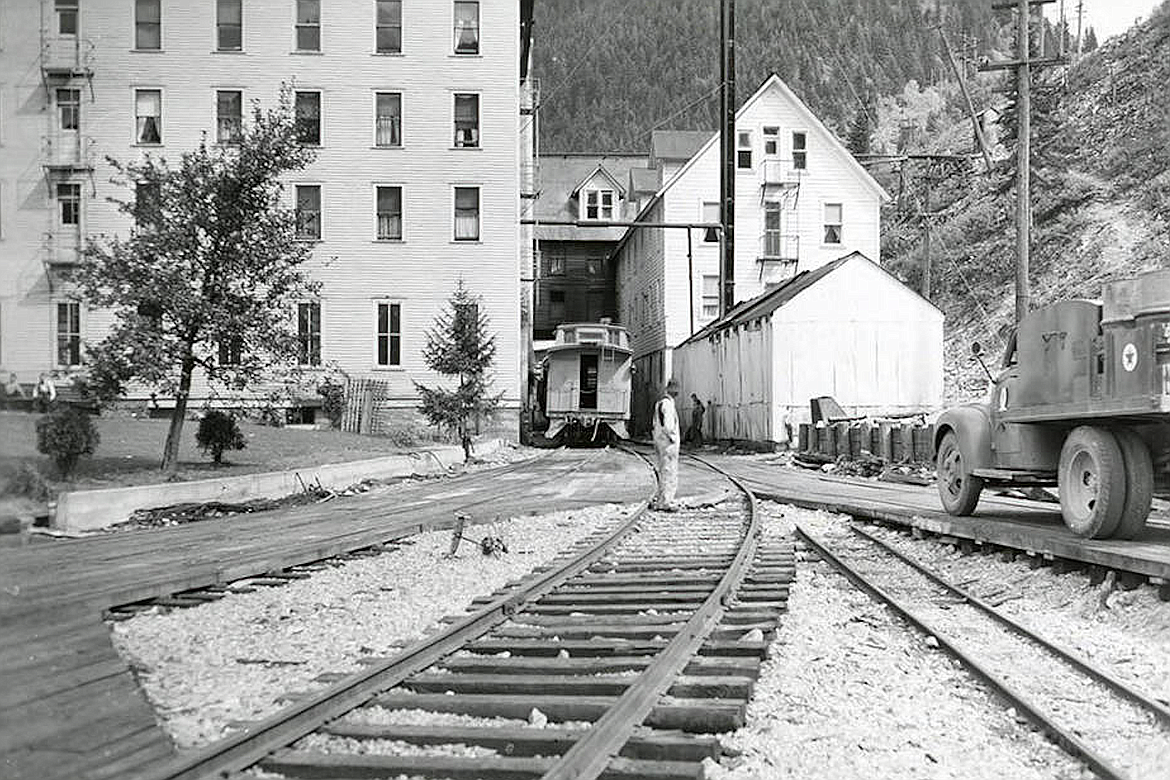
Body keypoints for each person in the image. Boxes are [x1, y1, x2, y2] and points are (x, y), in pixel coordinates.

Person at [651, 379, 681, 511]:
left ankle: (661, 499)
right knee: (670, 471)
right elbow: (668, 425)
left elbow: (654, 424)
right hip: (667, 443)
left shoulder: (659, 403)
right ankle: (667, 501)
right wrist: (673, 438)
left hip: (660, 441)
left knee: (663, 471)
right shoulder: (668, 405)